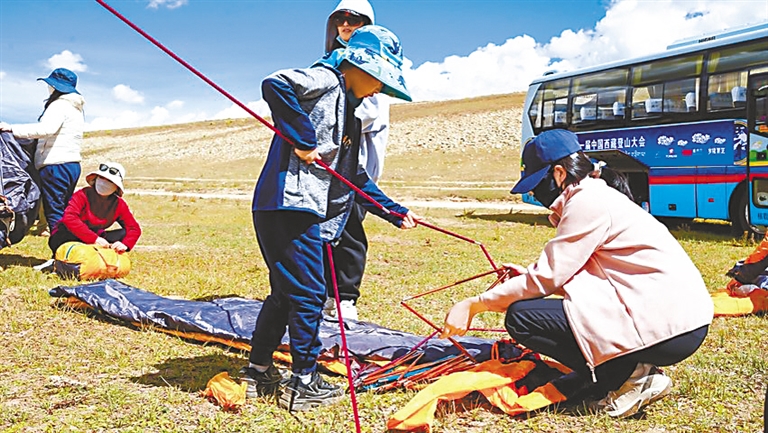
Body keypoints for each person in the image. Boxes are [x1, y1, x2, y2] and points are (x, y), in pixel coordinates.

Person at [440, 129, 713, 418]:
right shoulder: (596, 195)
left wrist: (475, 304)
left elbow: (548, 278)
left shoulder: (587, 202)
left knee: (522, 318)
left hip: (669, 326)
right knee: (536, 310)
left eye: (537, 183)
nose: (534, 193)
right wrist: (525, 277)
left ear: (559, 173)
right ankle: (631, 370)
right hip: (675, 320)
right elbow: (588, 274)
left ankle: (629, 378)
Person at [240, 25, 419, 412]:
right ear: (359, 66)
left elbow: (354, 177)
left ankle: (258, 372)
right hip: (288, 204)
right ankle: (303, 382)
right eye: (378, 79)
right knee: (309, 294)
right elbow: (276, 84)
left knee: (286, 294)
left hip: (292, 207)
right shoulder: (325, 79)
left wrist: (394, 211)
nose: (378, 90)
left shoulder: (351, 116)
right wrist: (304, 139)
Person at [316, 0, 389, 321]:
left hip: (355, 164)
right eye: (340, 19)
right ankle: (325, 295)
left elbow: (369, 114)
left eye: (354, 20)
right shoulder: (326, 63)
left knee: (349, 232)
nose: (345, 25)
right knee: (322, 231)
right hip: (326, 166)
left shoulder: (376, 65)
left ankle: (345, 297)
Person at [0, 68, 85, 267]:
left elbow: (45, 129)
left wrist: (11, 128)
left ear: (55, 86)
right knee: (65, 212)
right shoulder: (76, 109)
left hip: (55, 165)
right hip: (71, 164)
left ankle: (61, 258)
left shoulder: (59, 105)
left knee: (54, 212)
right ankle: (69, 253)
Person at [48, 162, 141, 256]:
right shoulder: (82, 194)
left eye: (109, 181)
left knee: (124, 233)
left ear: (116, 187)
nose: (103, 182)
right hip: (68, 235)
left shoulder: (119, 204)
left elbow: (134, 228)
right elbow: (69, 218)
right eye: (101, 178)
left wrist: (125, 244)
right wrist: (94, 239)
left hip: (96, 236)